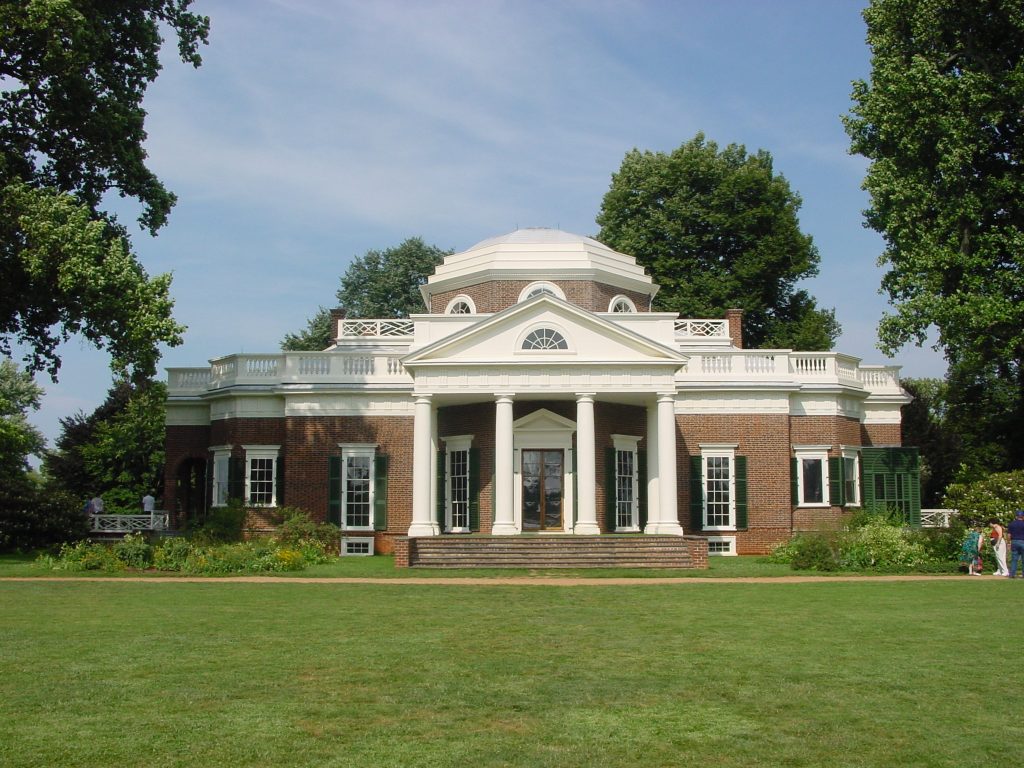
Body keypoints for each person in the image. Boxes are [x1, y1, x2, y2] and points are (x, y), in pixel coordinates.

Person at [1008, 510, 1024, 579]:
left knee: (1014, 559)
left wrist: (1008, 543)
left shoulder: (1011, 524)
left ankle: (1012, 574)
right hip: (1023, 541)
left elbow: (1009, 535)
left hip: (1014, 541)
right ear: (1023, 516)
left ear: (1016, 516)